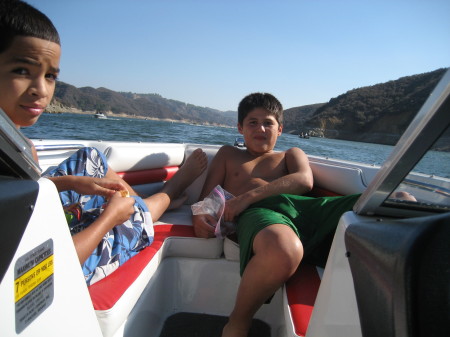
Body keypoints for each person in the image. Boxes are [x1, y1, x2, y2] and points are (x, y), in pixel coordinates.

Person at [0, 0, 208, 285]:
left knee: (89, 158)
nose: (41, 89)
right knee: (131, 221)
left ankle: (143, 205)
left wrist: (71, 183)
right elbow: (43, 271)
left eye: (50, 76)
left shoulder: (14, 142)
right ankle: (163, 198)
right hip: (41, 275)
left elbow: (29, 200)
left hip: (40, 227)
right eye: (23, 71)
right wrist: (107, 220)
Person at [192, 92, 360, 337]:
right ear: (240, 128)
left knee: (396, 204)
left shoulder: (290, 154)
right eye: (252, 122)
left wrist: (246, 196)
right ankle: (237, 324)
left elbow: (304, 181)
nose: (261, 128)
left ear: (280, 129)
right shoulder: (229, 154)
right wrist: (199, 217)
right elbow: (207, 199)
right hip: (262, 215)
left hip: (304, 209)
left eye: (268, 122)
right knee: (284, 248)